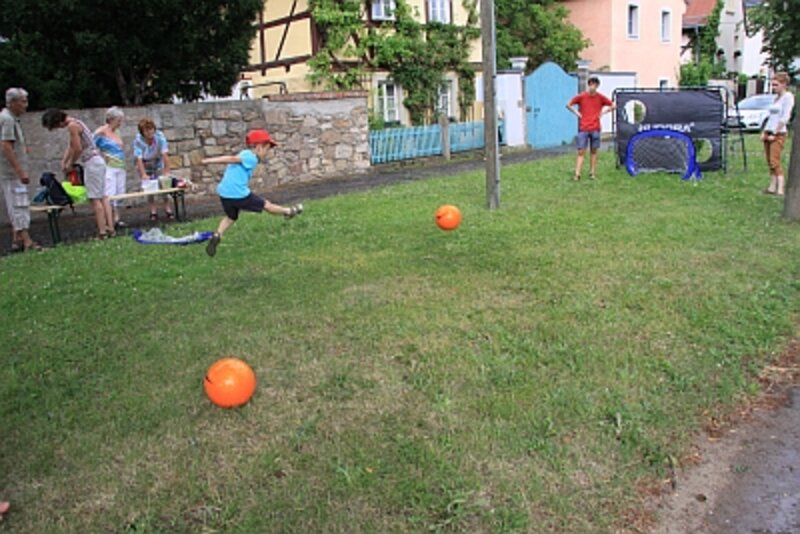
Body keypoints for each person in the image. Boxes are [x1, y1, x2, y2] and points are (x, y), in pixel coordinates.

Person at [201, 129, 303, 257]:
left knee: (231, 217)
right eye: (267, 149)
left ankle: (217, 234)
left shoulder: (244, 153)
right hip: (239, 194)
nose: (267, 153)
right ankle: (289, 211)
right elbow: (231, 159)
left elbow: (234, 160)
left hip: (225, 194)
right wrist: (208, 161)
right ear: (259, 147)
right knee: (266, 205)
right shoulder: (251, 158)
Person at [42, 109, 114, 239]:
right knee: (103, 196)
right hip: (98, 161)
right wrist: (64, 161)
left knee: (95, 199)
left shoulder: (72, 126)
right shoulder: (76, 122)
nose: (58, 128)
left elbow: (77, 148)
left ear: (58, 121)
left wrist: (70, 163)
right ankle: (110, 228)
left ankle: (102, 232)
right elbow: (71, 146)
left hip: (92, 163)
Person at [1, 87, 41, 251]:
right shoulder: (7, 119)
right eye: (23, 102)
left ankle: (16, 240)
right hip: (11, 173)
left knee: (17, 203)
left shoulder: (11, 118)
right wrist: (20, 171)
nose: (26, 105)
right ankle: (27, 241)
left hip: (12, 172)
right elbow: (6, 146)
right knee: (18, 205)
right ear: (12, 103)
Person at [566, 76, 615, 181]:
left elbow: (613, 105)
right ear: (589, 85)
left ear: (597, 86)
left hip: (595, 128)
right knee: (581, 151)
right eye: (591, 84)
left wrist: (604, 112)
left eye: (595, 85)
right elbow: (568, 104)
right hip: (584, 127)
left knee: (594, 151)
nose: (593, 87)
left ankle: (592, 173)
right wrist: (577, 113)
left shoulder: (600, 97)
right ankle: (577, 174)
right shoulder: (582, 96)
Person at [761, 72, 795, 197]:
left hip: (779, 132)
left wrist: (775, 133)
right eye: (773, 85)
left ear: (784, 84)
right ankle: (772, 186)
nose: (774, 87)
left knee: (774, 160)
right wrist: (765, 132)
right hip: (769, 130)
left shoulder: (788, 97)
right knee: (769, 160)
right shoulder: (776, 98)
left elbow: (785, 117)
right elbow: (771, 117)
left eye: (776, 85)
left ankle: (780, 188)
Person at [133, 118, 173, 221]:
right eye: (146, 130)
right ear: (142, 132)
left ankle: (168, 209)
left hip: (157, 161)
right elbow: (139, 158)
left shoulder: (160, 137)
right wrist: (143, 174)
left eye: (151, 129)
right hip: (145, 163)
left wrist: (166, 171)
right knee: (149, 187)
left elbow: (165, 154)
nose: (149, 132)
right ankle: (153, 211)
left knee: (164, 186)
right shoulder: (138, 140)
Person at [94, 106, 128, 228]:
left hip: (121, 165)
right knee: (110, 192)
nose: (120, 123)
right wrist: (102, 156)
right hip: (109, 167)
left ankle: (117, 218)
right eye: (118, 120)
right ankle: (109, 221)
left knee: (120, 192)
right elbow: (92, 147)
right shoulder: (101, 132)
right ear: (112, 119)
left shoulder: (117, 132)